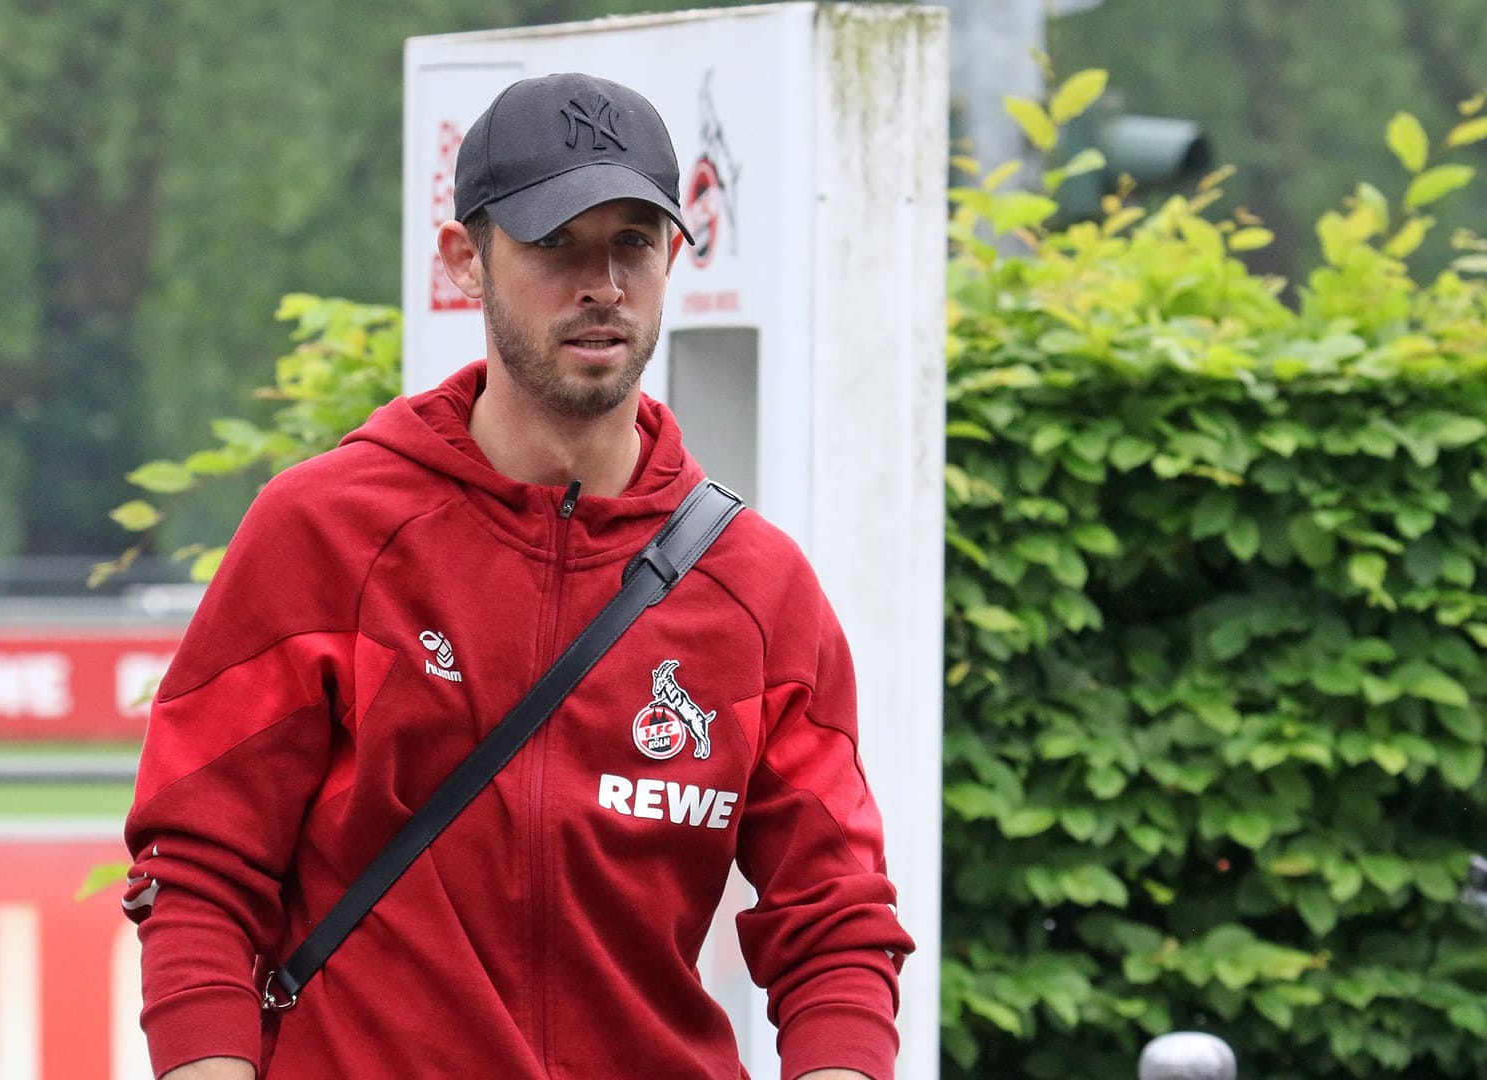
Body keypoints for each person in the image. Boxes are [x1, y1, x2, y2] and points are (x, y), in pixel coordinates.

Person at [123, 71, 914, 1080]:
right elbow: (197, 873)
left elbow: (837, 921)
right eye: (556, 244)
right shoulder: (324, 531)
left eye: (634, 241)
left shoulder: (757, 587)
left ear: (675, 255)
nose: (603, 284)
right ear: (464, 261)